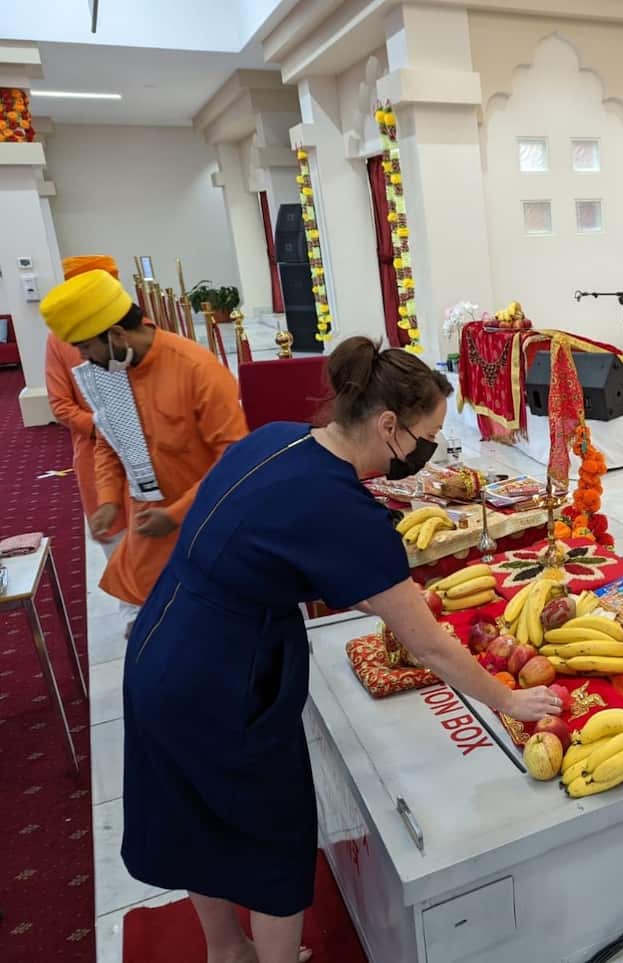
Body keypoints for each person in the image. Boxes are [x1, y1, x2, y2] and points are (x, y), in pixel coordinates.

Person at [119, 337, 562, 963]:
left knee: (200, 820)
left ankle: (226, 950)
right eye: (428, 434)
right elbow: (428, 647)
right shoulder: (342, 512)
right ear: (389, 426)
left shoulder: (278, 437)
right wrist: (507, 699)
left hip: (162, 640)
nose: (430, 450)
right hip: (219, 678)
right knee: (273, 835)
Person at [39, 269, 247, 629]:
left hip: (208, 523)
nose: (86, 359)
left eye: (88, 347)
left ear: (117, 334)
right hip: (151, 524)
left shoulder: (197, 369)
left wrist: (176, 513)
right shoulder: (112, 371)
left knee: (220, 621)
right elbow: (107, 440)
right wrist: (108, 499)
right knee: (160, 619)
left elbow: (235, 460)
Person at [44, 255, 130, 555]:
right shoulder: (59, 341)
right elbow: (60, 405)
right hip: (96, 456)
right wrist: (105, 426)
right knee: (120, 556)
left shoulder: (136, 330)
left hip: (151, 450)